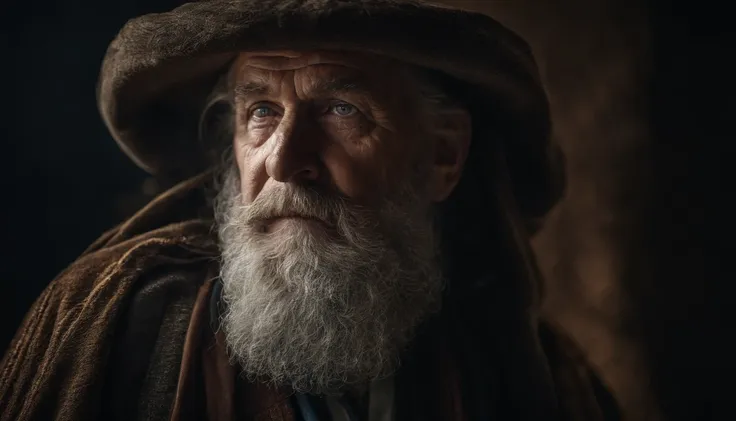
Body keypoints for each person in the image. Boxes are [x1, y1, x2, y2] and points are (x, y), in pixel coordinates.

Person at [0, 1, 620, 420]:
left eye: (340, 110)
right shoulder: (117, 330)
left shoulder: (522, 368)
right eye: (261, 112)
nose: (284, 160)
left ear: (441, 157)